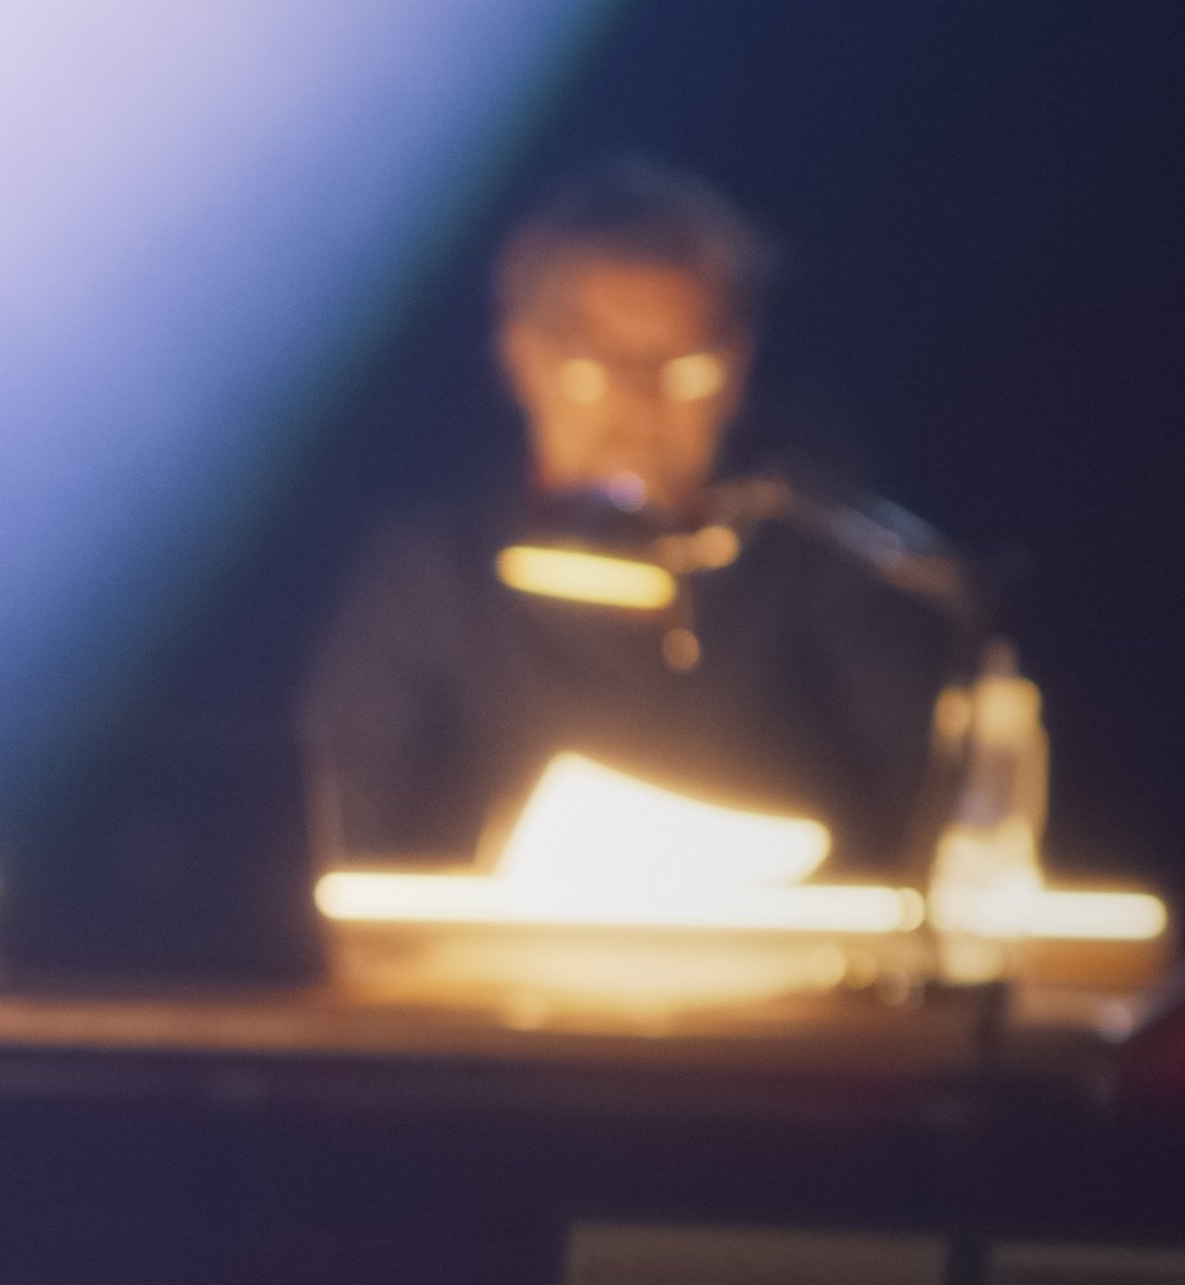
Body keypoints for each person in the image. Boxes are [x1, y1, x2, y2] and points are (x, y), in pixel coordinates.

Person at [297, 160, 974, 875]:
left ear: (738, 366)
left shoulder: (817, 534)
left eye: (685, 373)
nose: (641, 412)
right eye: (598, 371)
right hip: (500, 971)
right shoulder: (434, 555)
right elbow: (337, 816)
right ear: (524, 359)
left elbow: (929, 803)